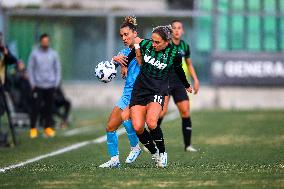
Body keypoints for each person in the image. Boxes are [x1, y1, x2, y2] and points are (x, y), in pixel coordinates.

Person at [130, 25, 192, 168]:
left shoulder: (175, 54)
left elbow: (179, 70)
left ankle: (163, 152)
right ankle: (154, 152)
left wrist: (186, 84)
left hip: (158, 90)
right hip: (140, 89)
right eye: (152, 40)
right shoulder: (146, 44)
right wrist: (125, 65)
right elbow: (134, 50)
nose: (153, 44)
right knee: (138, 126)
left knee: (151, 122)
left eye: (157, 42)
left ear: (167, 41)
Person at [99, 16, 142, 168]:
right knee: (110, 127)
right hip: (126, 95)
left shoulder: (145, 47)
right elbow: (107, 71)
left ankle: (136, 147)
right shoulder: (123, 52)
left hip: (141, 94)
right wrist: (113, 60)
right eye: (121, 36)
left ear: (134, 33)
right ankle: (114, 160)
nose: (124, 38)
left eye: (126, 34)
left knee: (126, 118)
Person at [157, 20, 200, 152]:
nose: (176, 30)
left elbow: (189, 64)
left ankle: (188, 145)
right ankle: (153, 140)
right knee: (161, 112)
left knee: (186, 111)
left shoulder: (185, 46)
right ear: (170, 31)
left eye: (179, 28)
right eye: (174, 28)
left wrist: (196, 79)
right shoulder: (165, 44)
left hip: (179, 83)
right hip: (165, 82)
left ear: (182, 31)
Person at [27, 33, 61, 138]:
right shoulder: (34, 54)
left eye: (47, 41)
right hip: (38, 85)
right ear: (41, 42)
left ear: (49, 42)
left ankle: (48, 128)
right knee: (35, 107)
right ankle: (33, 129)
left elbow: (57, 69)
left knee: (49, 108)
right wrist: (32, 83)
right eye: (44, 41)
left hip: (50, 85)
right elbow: (30, 69)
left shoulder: (54, 54)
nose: (45, 43)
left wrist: (56, 83)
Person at [0, 32, 18, 146]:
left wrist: (6, 53)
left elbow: (13, 60)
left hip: (1, 85)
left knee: (1, 109)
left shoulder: (3, 50)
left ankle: (2, 137)